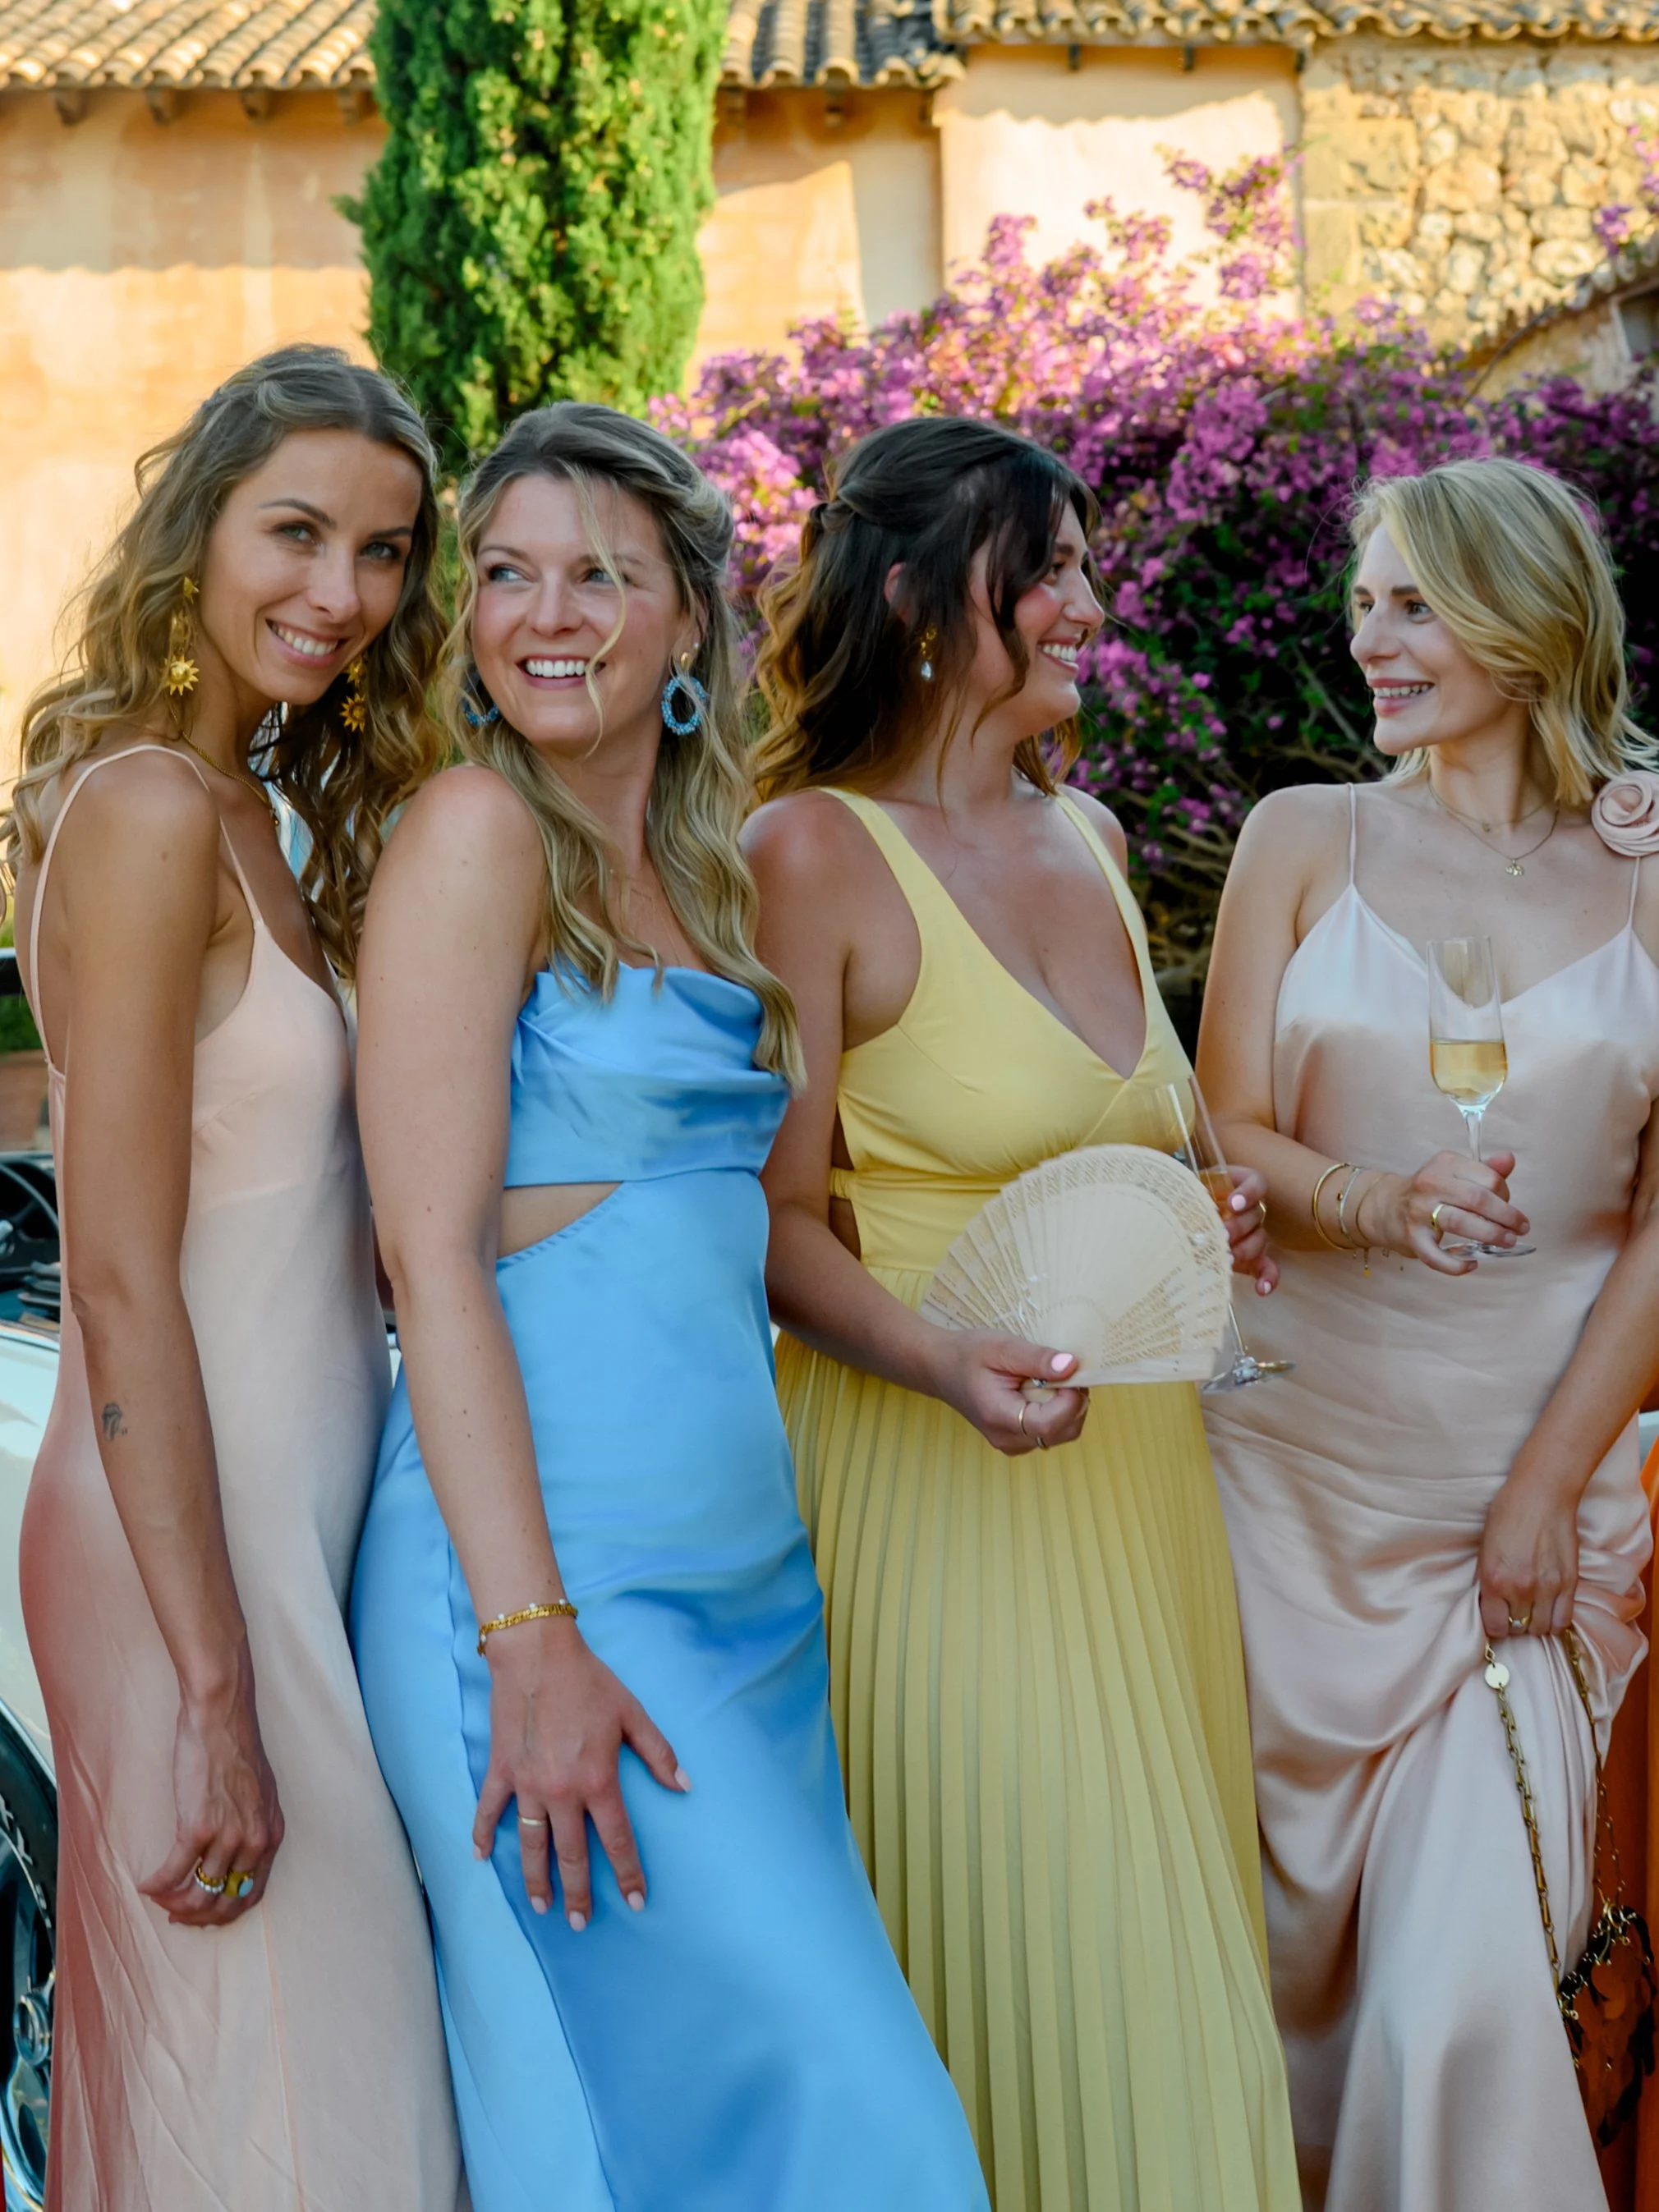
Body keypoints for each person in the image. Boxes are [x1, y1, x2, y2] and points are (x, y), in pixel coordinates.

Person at [348, 401, 990, 2212]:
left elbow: (759, 1225)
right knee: (829, 2130)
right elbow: (428, 1262)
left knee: (776, 2137)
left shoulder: (713, 878)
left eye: (600, 577)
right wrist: (529, 1639)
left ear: (690, 614)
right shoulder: (475, 832)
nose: (544, 615)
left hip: (745, 1597)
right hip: (550, 1587)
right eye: (506, 574)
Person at [743, 415, 1300, 2212]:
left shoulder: (1095, 835)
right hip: (934, 1496)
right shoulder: (808, 854)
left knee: (1183, 1978)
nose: (1089, 604)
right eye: (1046, 570)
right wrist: (941, 1361)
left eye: (1081, 566)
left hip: (1138, 1496)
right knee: (1051, 1974)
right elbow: (767, 1222)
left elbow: (1145, 1148)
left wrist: (1201, 1216)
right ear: (919, 597)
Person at [4, 346, 462, 2211]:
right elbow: (117, 1275)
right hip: (184, 1550)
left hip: (289, 1534)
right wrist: (210, 1685)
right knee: (303, 2103)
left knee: (286, 2098)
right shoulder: (144, 812)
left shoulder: (261, 813)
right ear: (197, 529)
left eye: (383, 550)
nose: (340, 592)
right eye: (295, 532)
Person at [1197, 456, 1659, 2212]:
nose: (1367, 642)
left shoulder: (1646, 869)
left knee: (1464, 2008)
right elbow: (1222, 1131)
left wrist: (1546, 1485)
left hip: (1519, 1517)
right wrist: (1377, 1202)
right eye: (1361, 604)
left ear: (1522, 620)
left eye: (1412, 605)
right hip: (1283, 1499)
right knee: (1267, 1997)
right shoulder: (1298, 838)